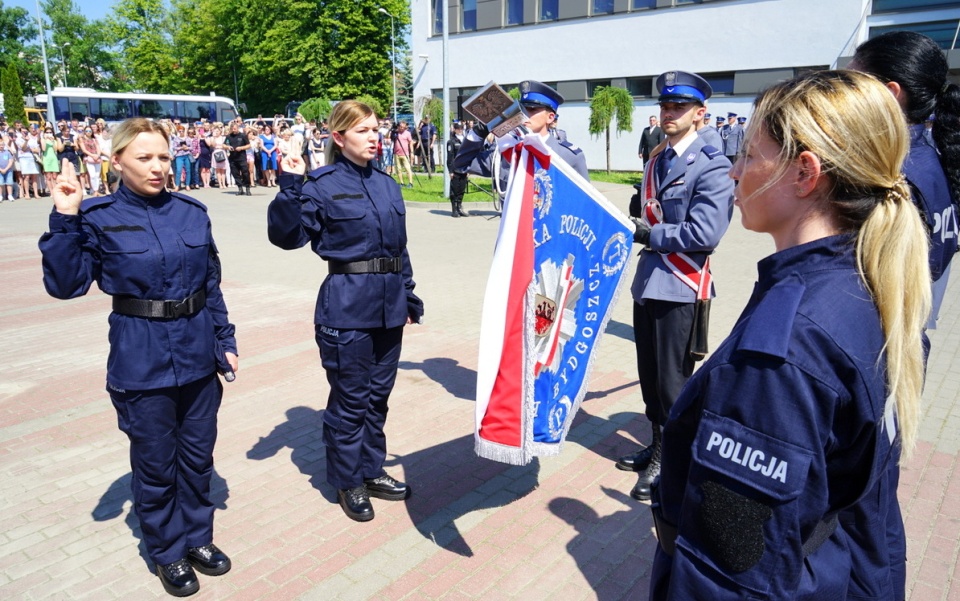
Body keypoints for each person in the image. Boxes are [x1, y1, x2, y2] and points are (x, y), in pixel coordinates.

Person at [647, 69, 931, 601]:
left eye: (750, 156)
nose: (734, 172)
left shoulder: (783, 350)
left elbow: (732, 571)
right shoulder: (869, 282)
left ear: (805, 173)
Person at [38, 118, 239, 598]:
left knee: (196, 459)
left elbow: (209, 283)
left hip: (196, 351)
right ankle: (167, 551)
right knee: (154, 464)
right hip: (140, 353)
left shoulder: (192, 212)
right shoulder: (99, 215)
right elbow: (65, 286)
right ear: (118, 161)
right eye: (144, 158)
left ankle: (198, 539)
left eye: (164, 157)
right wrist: (66, 215)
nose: (157, 167)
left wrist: (225, 338)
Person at [267, 100, 424, 523]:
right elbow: (287, 237)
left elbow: (398, 247)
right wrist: (289, 183)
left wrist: (408, 293)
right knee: (351, 400)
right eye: (363, 131)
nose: (374, 137)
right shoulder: (320, 184)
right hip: (347, 307)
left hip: (389, 306)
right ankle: (347, 479)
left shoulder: (388, 184)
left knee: (377, 399)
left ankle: (371, 469)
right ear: (338, 137)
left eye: (376, 129)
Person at [617, 70, 734, 501]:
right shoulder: (657, 159)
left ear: (700, 114)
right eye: (665, 105)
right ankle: (657, 444)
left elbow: (705, 232)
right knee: (650, 377)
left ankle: (671, 459)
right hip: (649, 282)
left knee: (673, 382)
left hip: (681, 285)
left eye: (679, 106)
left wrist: (651, 234)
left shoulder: (712, 165)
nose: (669, 112)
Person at [850, 31, 959, 332]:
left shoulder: (888, 173)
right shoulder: (934, 157)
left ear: (890, 93)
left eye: (851, 83)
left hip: (877, 337)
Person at [454, 80, 590, 187]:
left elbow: (585, 203)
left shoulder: (569, 156)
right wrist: (479, 132)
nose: (524, 114)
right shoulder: (508, 151)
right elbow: (462, 165)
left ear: (550, 117)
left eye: (532, 109)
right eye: (522, 108)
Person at [446, 122, 469, 218]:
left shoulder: (465, 140)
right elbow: (450, 158)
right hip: (455, 169)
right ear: (454, 129)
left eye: (461, 128)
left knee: (462, 189)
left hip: (464, 168)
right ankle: (454, 209)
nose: (460, 130)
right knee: (454, 189)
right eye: (458, 128)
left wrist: (468, 168)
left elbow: (468, 155)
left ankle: (459, 207)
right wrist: (450, 171)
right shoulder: (451, 141)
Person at [224, 122, 252, 196]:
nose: (234, 130)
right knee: (235, 174)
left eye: (235, 129)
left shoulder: (243, 135)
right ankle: (240, 188)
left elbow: (249, 145)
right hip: (232, 158)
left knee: (245, 173)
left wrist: (241, 148)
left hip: (241, 157)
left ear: (238, 128)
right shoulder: (229, 136)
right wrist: (227, 147)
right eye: (232, 129)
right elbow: (224, 144)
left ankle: (247, 188)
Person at [392, 121, 414, 188]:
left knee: (408, 168)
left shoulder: (408, 133)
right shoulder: (396, 133)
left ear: (405, 127)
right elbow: (388, 137)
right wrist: (392, 129)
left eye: (403, 127)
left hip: (405, 153)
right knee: (398, 169)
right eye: (400, 127)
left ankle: (410, 183)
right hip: (396, 153)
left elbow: (410, 142)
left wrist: (412, 153)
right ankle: (401, 183)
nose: (401, 128)